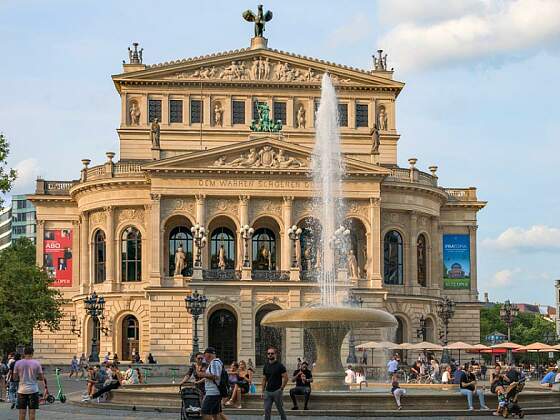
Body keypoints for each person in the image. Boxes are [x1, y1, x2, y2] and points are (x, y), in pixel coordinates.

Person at [13, 346, 44, 420]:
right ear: (32, 353)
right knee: (32, 412)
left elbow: (14, 378)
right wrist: (34, 377)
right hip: (33, 390)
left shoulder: (18, 363)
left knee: (22, 413)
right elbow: (41, 378)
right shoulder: (37, 363)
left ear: (24, 353)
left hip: (22, 390)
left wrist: (21, 377)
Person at [197, 347, 228, 420]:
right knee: (216, 413)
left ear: (208, 355)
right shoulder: (218, 362)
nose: (204, 358)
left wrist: (201, 374)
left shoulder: (214, 363)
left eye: (205, 356)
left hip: (213, 392)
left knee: (204, 412)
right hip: (215, 392)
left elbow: (215, 376)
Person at [262, 347, 288, 420]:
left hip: (277, 391)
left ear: (275, 354)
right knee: (267, 410)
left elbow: (286, 378)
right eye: (268, 353)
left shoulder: (280, 365)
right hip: (268, 391)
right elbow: (264, 379)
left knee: (280, 409)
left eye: (272, 353)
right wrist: (262, 390)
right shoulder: (266, 365)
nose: (270, 355)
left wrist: (281, 388)